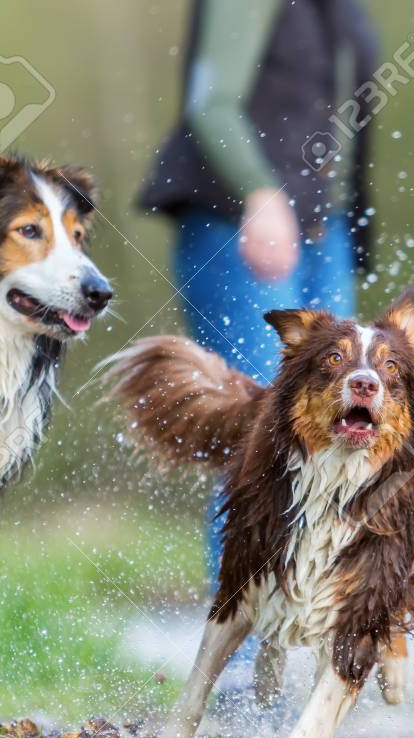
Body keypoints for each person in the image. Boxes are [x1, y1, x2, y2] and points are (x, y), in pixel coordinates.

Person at [138, 0, 382, 698]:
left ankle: (316, 657)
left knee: (341, 443)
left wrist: (345, 226)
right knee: (259, 441)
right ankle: (238, 674)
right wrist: (261, 193)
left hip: (324, 231)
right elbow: (210, 103)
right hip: (238, 220)